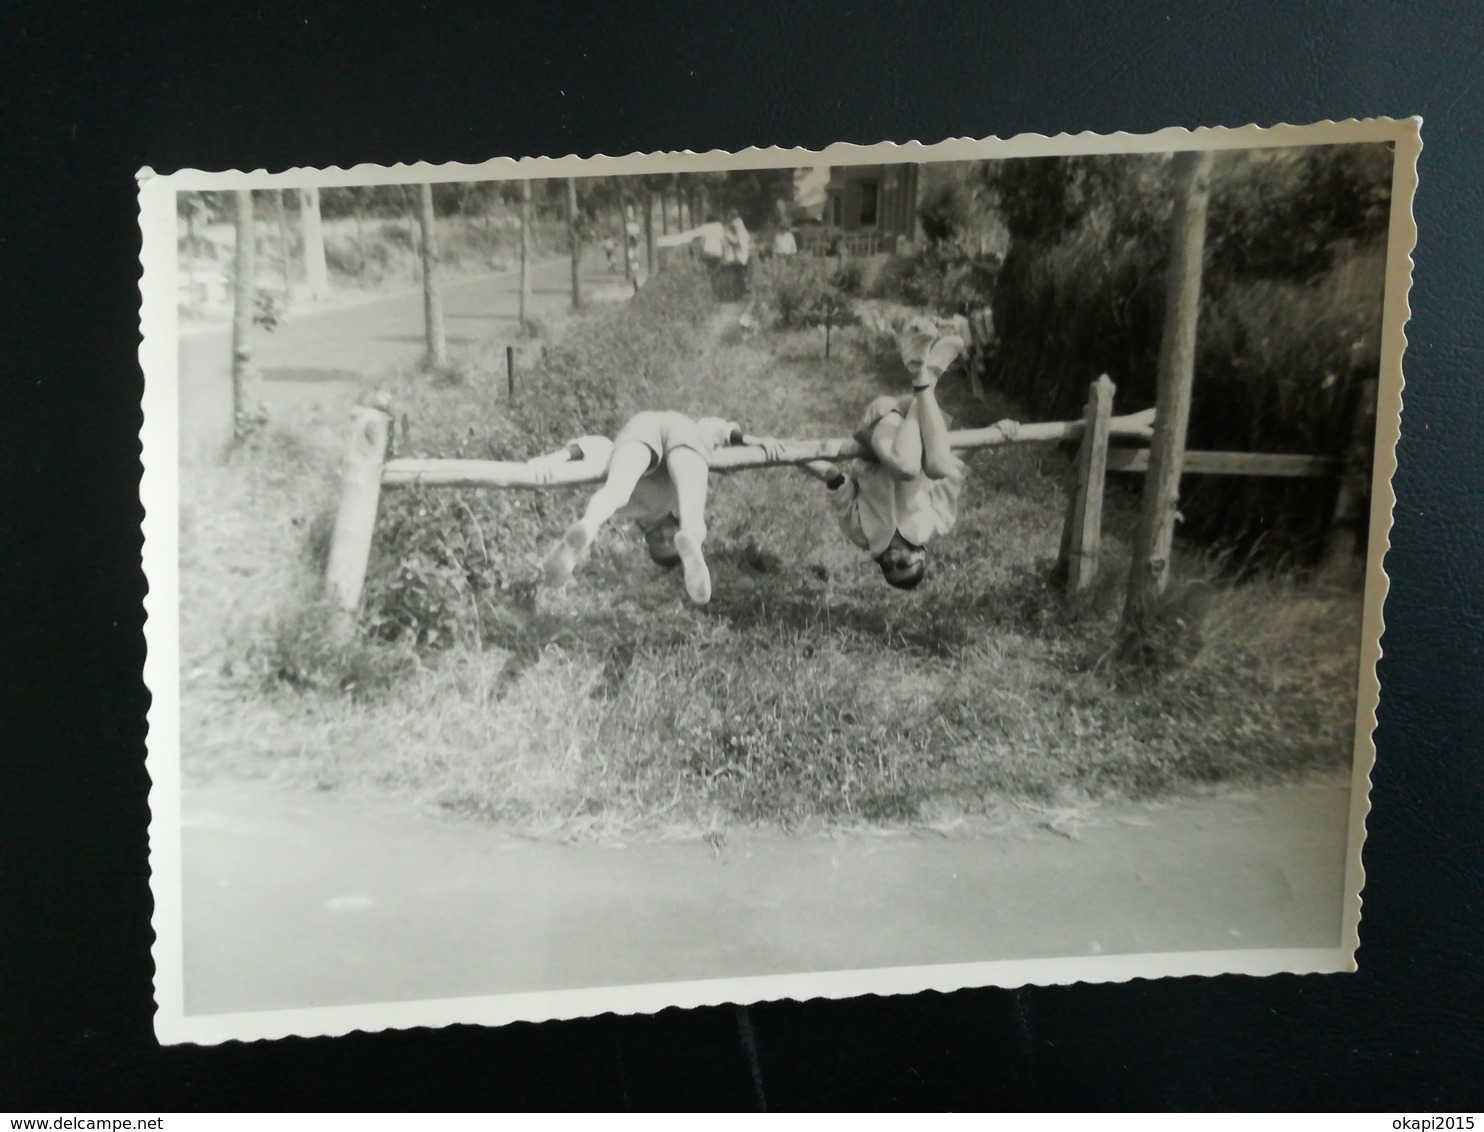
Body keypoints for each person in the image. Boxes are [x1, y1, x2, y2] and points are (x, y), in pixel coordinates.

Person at [795, 321, 1019, 589]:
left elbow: (834, 478)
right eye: (903, 564)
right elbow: (954, 467)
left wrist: (792, 454)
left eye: (887, 567)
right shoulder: (937, 523)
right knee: (937, 467)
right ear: (920, 555)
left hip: (881, 425)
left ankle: (925, 374)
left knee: (906, 468)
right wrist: (991, 434)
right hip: (917, 418)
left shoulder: (862, 533)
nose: (892, 560)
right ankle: (925, 375)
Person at [534, 411, 784, 605]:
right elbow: (716, 429)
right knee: (690, 507)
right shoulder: (643, 510)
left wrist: (556, 457)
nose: (664, 534)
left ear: (648, 539)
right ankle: (692, 539)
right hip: (683, 433)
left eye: (659, 541)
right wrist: (755, 440)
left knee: (615, 492)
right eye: (671, 540)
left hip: (640, 430)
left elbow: (598, 448)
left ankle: (589, 525)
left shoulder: (634, 510)